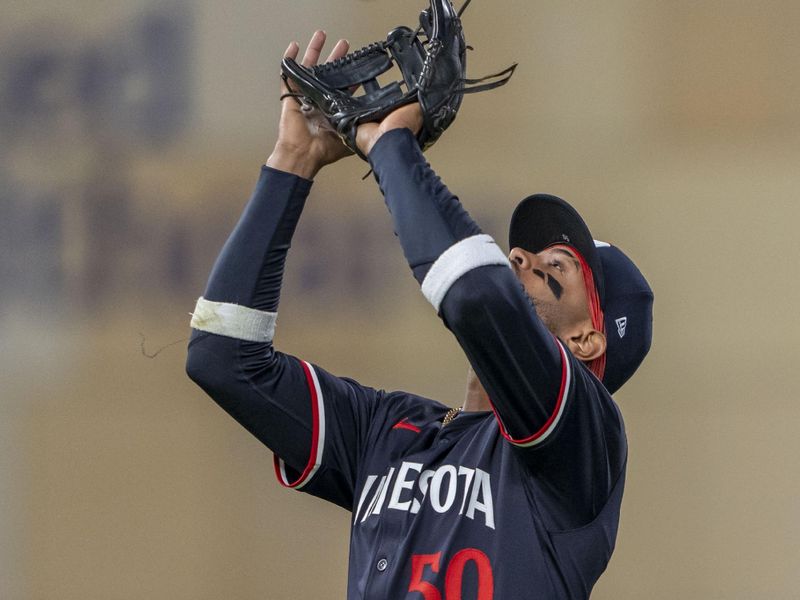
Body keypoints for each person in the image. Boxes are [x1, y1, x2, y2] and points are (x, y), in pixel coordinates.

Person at [186, 31, 653, 599]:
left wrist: (391, 145)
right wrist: (294, 160)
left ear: (585, 341)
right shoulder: (388, 430)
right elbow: (225, 360)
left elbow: (478, 300)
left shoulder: (582, 443)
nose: (519, 256)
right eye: (526, 251)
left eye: (556, 264)